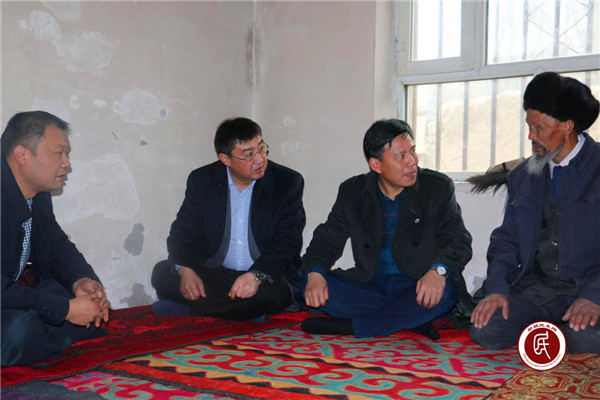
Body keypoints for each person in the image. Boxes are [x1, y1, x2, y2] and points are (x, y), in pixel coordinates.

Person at [300, 119, 473, 338]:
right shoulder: (353, 192)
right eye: (401, 156)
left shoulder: (436, 187)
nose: (412, 162)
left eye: (413, 151)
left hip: (418, 283)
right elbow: (327, 239)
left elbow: (458, 240)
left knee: (447, 291)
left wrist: (438, 271)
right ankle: (410, 320)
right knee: (309, 281)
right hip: (371, 284)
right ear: (376, 165)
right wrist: (315, 273)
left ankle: (353, 326)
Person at [470, 72, 600, 353]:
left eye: (538, 128)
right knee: (485, 329)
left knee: (585, 339)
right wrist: (497, 289)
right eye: (529, 126)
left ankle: (559, 332)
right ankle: (555, 331)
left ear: (567, 126)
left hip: (589, 287)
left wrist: (594, 296)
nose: (531, 136)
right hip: (539, 290)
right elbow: (506, 240)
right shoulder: (523, 175)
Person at [151, 117, 305, 321]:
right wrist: (186, 269)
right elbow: (182, 231)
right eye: (248, 155)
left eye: (261, 149)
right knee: (161, 274)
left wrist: (256, 275)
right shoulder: (202, 180)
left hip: (265, 275)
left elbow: (289, 241)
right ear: (225, 159)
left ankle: (189, 310)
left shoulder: (287, 182)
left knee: (269, 295)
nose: (259, 160)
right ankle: (243, 312)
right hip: (216, 272)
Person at [1, 111, 110, 367]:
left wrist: (81, 280)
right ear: (22, 154)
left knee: (81, 309)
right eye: (59, 153)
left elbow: (56, 244)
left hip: (12, 295)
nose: (67, 163)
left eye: (67, 154)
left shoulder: (38, 192)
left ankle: (41, 340)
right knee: (21, 331)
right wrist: (65, 310)